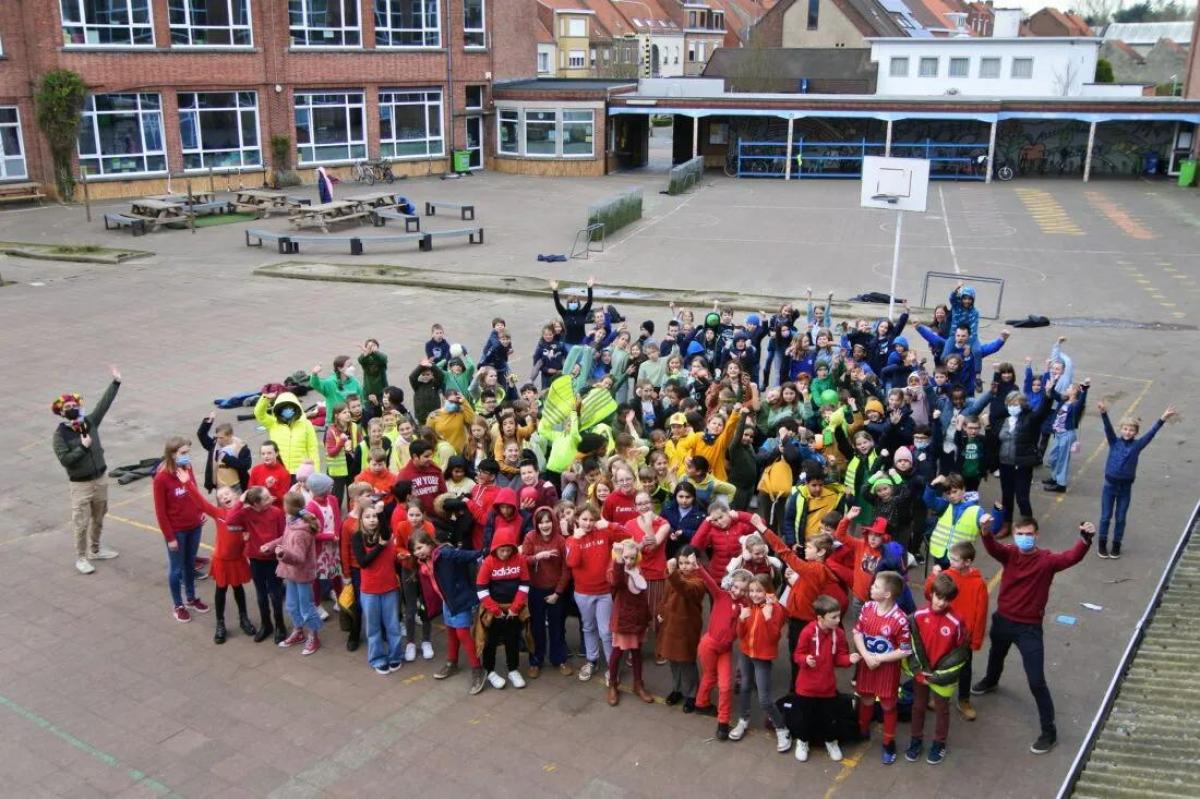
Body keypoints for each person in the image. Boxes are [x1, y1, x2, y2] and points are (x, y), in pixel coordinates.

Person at [971, 515, 1093, 754]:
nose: (1024, 538)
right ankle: (991, 680)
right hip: (1004, 620)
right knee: (996, 654)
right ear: (1015, 536)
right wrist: (985, 531)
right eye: (1020, 534)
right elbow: (992, 546)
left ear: (1036, 536)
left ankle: (1049, 732)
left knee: (1036, 681)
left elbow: (1071, 557)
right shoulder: (1010, 554)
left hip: (1029, 629)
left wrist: (1085, 540)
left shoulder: (1047, 561)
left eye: (1029, 534)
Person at [51, 366, 122, 574]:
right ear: (61, 412)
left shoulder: (86, 423)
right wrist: (83, 447)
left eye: (74, 404)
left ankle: (95, 549)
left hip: (100, 478)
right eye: (68, 406)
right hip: (80, 484)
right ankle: (81, 557)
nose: (72, 408)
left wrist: (116, 383)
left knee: (99, 517)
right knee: (81, 522)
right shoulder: (60, 435)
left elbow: (103, 405)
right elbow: (66, 460)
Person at [904, 573, 969, 766]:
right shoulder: (917, 616)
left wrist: (937, 676)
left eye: (947, 599)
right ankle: (916, 740)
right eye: (939, 597)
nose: (941, 602)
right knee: (918, 706)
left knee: (942, 709)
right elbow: (910, 644)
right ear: (931, 594)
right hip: (921, 673)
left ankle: (939, 743)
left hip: (941, 676)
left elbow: (960, 653)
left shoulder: (957, 622)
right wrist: (918, 671)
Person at [1095, 402, 1176, 558]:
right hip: (1109, 486)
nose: (1128, 432)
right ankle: (1102, 544)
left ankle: (1116, 545)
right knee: (1105, 517)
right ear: (1121, 430)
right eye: (1125, 429)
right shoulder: (1114, 442)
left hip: (1125, 488)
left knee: (1120, 518)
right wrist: (1104, 413)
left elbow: (1151, 434)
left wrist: (1162, 419)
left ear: (1136, 433)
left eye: (1131, 430)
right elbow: (1108, 429)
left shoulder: (1138, 445)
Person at [412, 530, 487, 694]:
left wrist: (483, 552)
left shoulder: (445, 554)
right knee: (451, 632)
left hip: (459, 600)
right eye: (415, 550)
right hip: (448, 602)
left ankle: (478, 669)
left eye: (420, 547)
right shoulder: (425, 562)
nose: (418, 552)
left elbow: (465, 556)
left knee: (462, 633)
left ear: (430, 544)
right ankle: (452, 662)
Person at [791, 594, 861, 763]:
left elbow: (839, 658)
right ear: (820, 618)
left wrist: (848, 660)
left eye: (839, 616)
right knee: (804, 717)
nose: (838, 620)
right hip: (805, 688)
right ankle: (802, 741)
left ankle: (831, 742)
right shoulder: (808, 632)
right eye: (834, 617)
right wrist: (805, 660)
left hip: (827, 688)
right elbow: (797, 655)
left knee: (829, 718)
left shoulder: (840, 634)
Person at [853, 570, 912, 765]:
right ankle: (862, 730)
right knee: (866, 698)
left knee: (888, 705)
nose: (871, 588)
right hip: (867, 664)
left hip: (887, 670)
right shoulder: (867, 607)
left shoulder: (900, 619)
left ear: (887, 594)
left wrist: (878, 658)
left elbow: (905, 650)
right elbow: (857, 633)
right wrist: (866, 655)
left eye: (876, 586)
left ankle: (888, 742)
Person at [186, 482, 257, 644]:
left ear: (235, 495)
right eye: (220, 497)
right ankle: (220, 623)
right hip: (222, 560)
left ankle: (243, 618)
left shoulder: (245, 514)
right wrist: (186, 484)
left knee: (238, 589)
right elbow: (200, 502)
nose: (224, 497)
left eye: (227, 494)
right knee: (221, 591)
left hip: (237, 559)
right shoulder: (218, 514)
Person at [926, 541, 988, 721]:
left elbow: (981, 613)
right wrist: (932, 578)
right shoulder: (946, 575)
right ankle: (937, 696)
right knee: (939, 665)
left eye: (954, 559)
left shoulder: (978, 584)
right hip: (944, 633)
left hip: (964, 637)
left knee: (965, 669)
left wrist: (975, 639)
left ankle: (964, 700)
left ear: (967, 562)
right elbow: (930, 593)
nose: (950, 561)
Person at [152, 436, 209, 623]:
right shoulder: (161, 479)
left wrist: (200, 510)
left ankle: (191, 598)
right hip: (177, 531)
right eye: (183, 453)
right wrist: (170, 537)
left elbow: (194, 491)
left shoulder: (187, 469)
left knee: (189, 564)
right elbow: (161, 512)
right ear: (172, 454)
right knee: (176, 570)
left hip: (194, 526)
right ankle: (178, 604)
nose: (187, 456)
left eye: (188, 452)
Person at [733, 574, 791, 752]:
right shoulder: (749, 605)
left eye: (759, 591)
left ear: (768, 591)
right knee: (743, 687)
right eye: (751, 591)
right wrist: (741, 619)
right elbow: (740, 635)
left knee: (764, 699)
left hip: (762, 658)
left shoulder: (775, 609)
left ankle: (782, 728)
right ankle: (743, 720)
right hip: (745, 653)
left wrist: (767, 618)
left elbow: (774, 637)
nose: (754, 594)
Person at [693, 566, 751, 741]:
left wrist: (742, 618)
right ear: (730, 584)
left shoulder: (746, 606)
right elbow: (710, 582)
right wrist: (699, 568)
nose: (737, 591)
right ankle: (700, 703)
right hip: (708, 644)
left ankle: (723, 722)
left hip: (725, 649)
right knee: (710, 676)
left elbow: (742, 634)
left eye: (742, 589)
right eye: (735, 587)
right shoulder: (721, 595)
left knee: (726, 686)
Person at [565, 504, 620, 683]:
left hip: (604, 591)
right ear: (577, 520)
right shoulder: (572, 539)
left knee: (605, 632)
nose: (588, 523)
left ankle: (612, 666)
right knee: (588, 627)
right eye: (584, 519)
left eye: (591, 519)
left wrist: (609, 525)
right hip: (583, 593)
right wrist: (575, 540)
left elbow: (628, 535)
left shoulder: (604, 533)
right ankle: (592, 660)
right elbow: (572, 562)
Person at [227, 486, 288, 643]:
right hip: (256, 560)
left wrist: (275, 548)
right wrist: (240, 502)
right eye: (266, 498)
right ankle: (266, 624)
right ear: (255, 504)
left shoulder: (277, 512)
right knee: (261, 595)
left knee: (275, 595)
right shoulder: (246, 513)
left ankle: (280, 625)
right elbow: (230, 520)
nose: (271, 499)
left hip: (273, 560)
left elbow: (283, 535)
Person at [475, 524, 531, 690]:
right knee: (490, 641)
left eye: (508, 550)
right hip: (494, 611)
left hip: (513, 611)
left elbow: (524, 584)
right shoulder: (488, 562)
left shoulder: (520, 559)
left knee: (512, 640)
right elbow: (481, 588)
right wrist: (495, 610)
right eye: (502, 550)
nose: (505, 554)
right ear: (495, 549)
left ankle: (513, 669)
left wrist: (515, 608)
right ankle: (490, 671)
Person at [352, 504, 406, 675]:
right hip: (369, 590)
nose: (372, 520)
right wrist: (381, 547)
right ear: (361, 519)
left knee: (392, 625)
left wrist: (381, 512)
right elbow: (363, 562)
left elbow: (385, 533)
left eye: (374, 516)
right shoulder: (357, 537)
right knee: (373, 627)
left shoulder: (385, 534)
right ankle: (377, 658)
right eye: (367, 517)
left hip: (389, 587)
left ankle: (395, 655)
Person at [266, 492, 322, 656]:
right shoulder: (292, 522)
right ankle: (299, 631)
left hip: (302, 574)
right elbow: (284, 539)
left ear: (288, 508)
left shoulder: (300, 532)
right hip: (291, 573)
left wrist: (282, 554)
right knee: (291, 605)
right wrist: (270, 546)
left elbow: (298, 558)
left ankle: (313, 635)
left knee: (306, 607)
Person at [522, 507, 572, 678]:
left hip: (555, 591)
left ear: (553, 521)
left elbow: (567, 569)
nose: (545, 525)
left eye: (548, 521)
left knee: (557, 626)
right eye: (541, 522)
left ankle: (559, 659)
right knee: (536, 627)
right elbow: (523, 560)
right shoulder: (530, 537)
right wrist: (537, 557)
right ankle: (536, 660)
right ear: (536, 523)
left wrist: (557, 593)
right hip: (535, 589)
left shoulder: (560, 540)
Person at [607, 539, 655, 706]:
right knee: (617, 653)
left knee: (637, 653)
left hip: (638, 619)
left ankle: (638, 684)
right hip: (623, 620)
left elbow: (642, 597)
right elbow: (617, 581)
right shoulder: (615, 571)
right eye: (626, 557)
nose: (629, 561)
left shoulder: (638, 571)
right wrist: (618, 560)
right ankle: (612, 684)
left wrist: (647, 617)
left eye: (632, 558)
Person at [660, 548, 707, 712]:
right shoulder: (674, 577)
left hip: (687, 626)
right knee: (673, 660)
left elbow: (684, 588)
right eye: (681, 563)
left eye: (688, 563)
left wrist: (672, 573)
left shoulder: (698, 582)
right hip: (671, 624)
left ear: (696, 563)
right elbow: (665, 598)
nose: (684, 566)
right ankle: (677, 689)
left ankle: (691, 694)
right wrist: (661, 613)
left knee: (687, 662)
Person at [253, 391, 320, 474]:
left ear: (296, 408)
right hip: (280, 471)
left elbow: (312, 449)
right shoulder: (273, 423)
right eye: (284, 408)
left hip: (301, 471)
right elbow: (259, 414)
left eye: (290, 407)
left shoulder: (306, 424)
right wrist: (266, 399)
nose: (287, 410)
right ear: (279, 410)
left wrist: (316, 472)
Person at [196, 412, 251, 493]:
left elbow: (245, 465)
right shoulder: (214, 445)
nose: (218, 440)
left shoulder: (241, 447)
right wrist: (208, 422)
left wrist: (226, 458)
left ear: (230, 435)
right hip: (221, 487)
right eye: (217, 437)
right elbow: (201, 435)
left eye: (221, 438)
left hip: (237, 486)